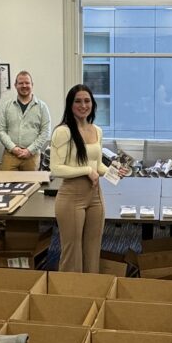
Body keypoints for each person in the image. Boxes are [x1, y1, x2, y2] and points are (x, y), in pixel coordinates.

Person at [50, 85, 105, 273]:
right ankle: (68, 295)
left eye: (87, 101)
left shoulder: (97, 130)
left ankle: (91, 294)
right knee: (72, 252)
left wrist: (115, 170)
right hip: (71, 196)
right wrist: (86, 170)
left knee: (92, 250)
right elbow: (56, 168)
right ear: (70, 105)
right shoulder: (63, 131)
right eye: (78, 101)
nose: (83, 105)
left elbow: (98, 166)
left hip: (95, 196)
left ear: (93, 104)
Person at [0, 70, 51, 171]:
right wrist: (13, 148)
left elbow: (45, 132)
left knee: (31, 186)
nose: (24, 85)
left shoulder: (42, 107)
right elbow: (0, 130)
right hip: (10, 155)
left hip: (32, 156)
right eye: (20, 83)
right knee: (6, 185)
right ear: (15, 85)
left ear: (32, 85)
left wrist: (29, 150)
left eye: (27, 83)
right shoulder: (7, 106)